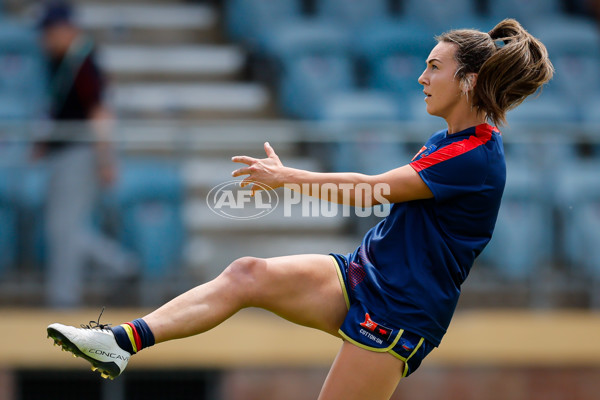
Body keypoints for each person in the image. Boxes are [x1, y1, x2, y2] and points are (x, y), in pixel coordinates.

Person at [46, 19, 553, 398]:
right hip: (365, 275)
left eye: (434, 67)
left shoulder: (474, 156)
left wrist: (288, 177)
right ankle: (119, 343)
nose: (422, 77)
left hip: (399, 312)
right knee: (246, 274)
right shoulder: (450, 140)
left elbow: (371, 189)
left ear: (467, 81)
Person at [35, 1, 138, 308]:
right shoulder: (64, 61)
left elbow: (100, 113)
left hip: (80, 152)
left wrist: (106, 160)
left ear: (65, 29)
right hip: (68, 151)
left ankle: (63, 298)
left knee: (63, 228)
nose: (44, 39)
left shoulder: (82, 60)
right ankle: (121, 266)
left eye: (49, 32)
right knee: (66, 228)